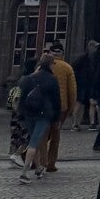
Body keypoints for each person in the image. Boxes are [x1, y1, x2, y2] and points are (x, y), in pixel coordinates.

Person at [16, 52, 60, 184]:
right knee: (34, 142)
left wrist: (21, 112)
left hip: (29, 113)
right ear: (50, 64)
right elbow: (56, 101)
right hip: (43, 114)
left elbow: (22, 96)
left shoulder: (30, 78)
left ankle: (38, 168)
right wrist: (56, 118)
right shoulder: (52, 79)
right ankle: (24, 173)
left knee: (34, 139)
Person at [42, 42, 77, 171]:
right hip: (61, 107)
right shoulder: (67, 68)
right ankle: (51, 163)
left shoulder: (42, 66)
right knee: (55, 135)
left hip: (44, 105)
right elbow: (72, 91)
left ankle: (40, 160)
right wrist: (71, 108)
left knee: (43, 133)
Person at [75, 40, 100, 129]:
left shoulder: (95, 59)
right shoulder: (82, 58)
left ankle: (92, 123)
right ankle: (75, 123)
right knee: (79, 103)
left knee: (92, 103)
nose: (96, 49)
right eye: (95, 47)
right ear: (90, 47)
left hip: (91, 84)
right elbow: (75, 69)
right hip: (83, 84)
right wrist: (79, 79)